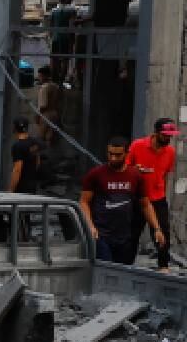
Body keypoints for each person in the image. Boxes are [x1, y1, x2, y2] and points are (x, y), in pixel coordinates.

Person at [80, 137, 165, 265]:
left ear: (126, 153)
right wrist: (90, 226)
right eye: (110, 154)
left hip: (124, 236)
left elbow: (145, 205)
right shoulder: (96, 174)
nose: (113, 158)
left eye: (118, 155)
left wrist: (157, 229)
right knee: (106, 269)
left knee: (123, 271)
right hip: (101, 235)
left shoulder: (135, 175)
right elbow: (84, 202)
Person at [129, 118, 178, 273]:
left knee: (163, 232)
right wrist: (136, 170)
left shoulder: (170, 151)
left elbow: (166, 175)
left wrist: (163, 193)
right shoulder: (138, 145)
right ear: (156, 133)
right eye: (165, 135)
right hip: (138, 198)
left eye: (170, 136)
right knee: (132, 233)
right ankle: (126, 264)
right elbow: (125, 168)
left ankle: (163, 266)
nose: (168, 138)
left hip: (158, 198)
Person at [48, 0, 78, 82]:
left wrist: (51, 38)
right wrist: (73, 40)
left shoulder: (54, 10)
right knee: (65, 59)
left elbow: (51, 26)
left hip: (56, 38)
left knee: (54, 59)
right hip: (67, 38)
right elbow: (72, 26)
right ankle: (61, 80)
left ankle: (54, 79)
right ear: (69, 0)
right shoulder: (72, 10)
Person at [8, 118, 42, 194]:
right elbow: (38, 162)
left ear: (14, 129)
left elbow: (17, 170)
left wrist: (11, 190)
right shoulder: (35, 142)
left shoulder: (17, 146)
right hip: (32, 186)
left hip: (21, 188)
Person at [36, 66, 62, 146]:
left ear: (45, 76)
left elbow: (43, 105)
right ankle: (51, 155)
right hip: (55, 113)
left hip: (46, 115)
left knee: (41, 137)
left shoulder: (44, 88)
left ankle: (42, 156)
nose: (38, 78)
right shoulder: (55, 86)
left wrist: (37, 115)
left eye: (40, 76)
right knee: (51, 137)